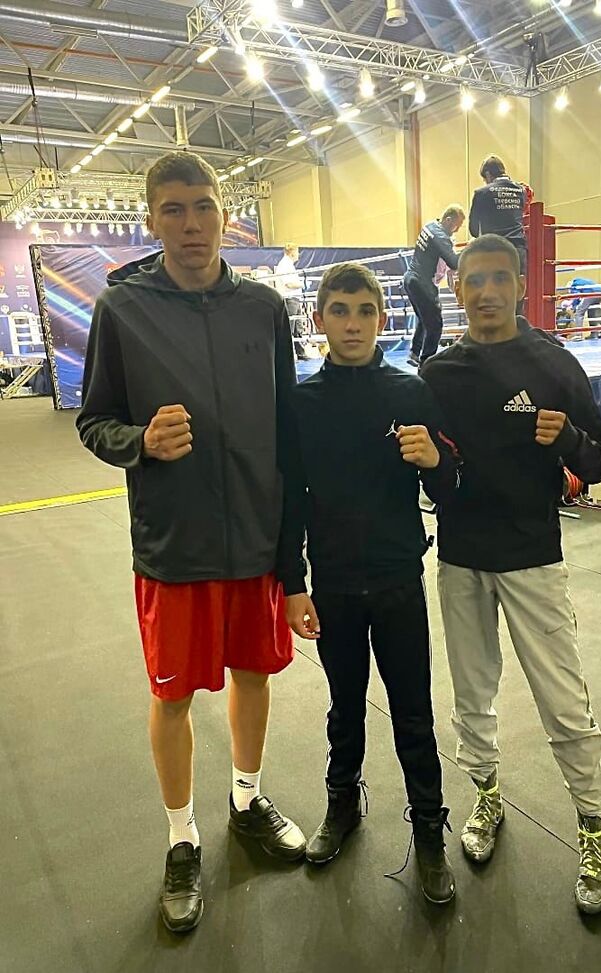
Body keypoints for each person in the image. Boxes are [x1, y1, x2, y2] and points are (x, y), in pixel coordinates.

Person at [76, 151, 305, 934]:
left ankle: (246, 798)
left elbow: (288, 426)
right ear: (151, 219)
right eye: (173, 209)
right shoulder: (122, 308)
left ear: (224, 214)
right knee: (172, 695)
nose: (191, 223)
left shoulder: (263, 309)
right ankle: (181, 838)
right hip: (174, 544)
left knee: (254, 674)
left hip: (255, 537)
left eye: (203, 206)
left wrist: (292, 555)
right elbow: (93, 421)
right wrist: (139, 440)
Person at [420, 234, 601, 916]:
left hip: (533, 556)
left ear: (520, 285)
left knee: (563, 701)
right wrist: (429, 464)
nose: (486, 292)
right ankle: (486, 793)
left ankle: (593, 828)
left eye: (499, 278)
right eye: (474, 280)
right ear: (457, 289)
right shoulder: (439, 373)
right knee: (472, 693)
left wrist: (567, 439)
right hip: (462, 557)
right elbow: (435, 474)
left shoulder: (552, 362)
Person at [277, 262, 460, 904]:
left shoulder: (410, 392)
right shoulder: (300, 403)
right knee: (344, 705)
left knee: (413, 712)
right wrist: (292, 583)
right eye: (339, 311)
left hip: (397, 580)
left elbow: (449, 487)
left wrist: (435, 462)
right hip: (332, 584)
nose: (352, 324)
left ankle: (429, 832)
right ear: (319, 318)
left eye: (364, 312)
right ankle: (342, 806)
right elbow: (289, 500)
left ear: (382, 319)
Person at [404, 205, 465, 369]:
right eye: (456, 226)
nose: (456, 230)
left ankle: (414, 352)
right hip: (423, 283)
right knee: (435, 325)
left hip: (410, 278)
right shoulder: (440, 236)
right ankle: (426, 362)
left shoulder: (430, 226)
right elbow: (454, 263)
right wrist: (471, 251)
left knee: (424, 319)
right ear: (448, 220)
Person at [468, 156, 528, 277]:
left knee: (494, 288)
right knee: (517, 287)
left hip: (494, 252)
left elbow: (473, 229)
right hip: (518, 251)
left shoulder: (481, 193)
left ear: (488, 174)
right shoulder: (521, 191)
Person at [276, 243, 314, 359]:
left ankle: (300, 352)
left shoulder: (289, 265)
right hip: (289, 298)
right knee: (290, 328)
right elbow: (289, 284)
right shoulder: (284, 265)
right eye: (297, 251)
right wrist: (303, 284)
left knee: (298, 327)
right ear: (292, 252)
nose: (298, 254)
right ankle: (287, 356)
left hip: (295, 298)